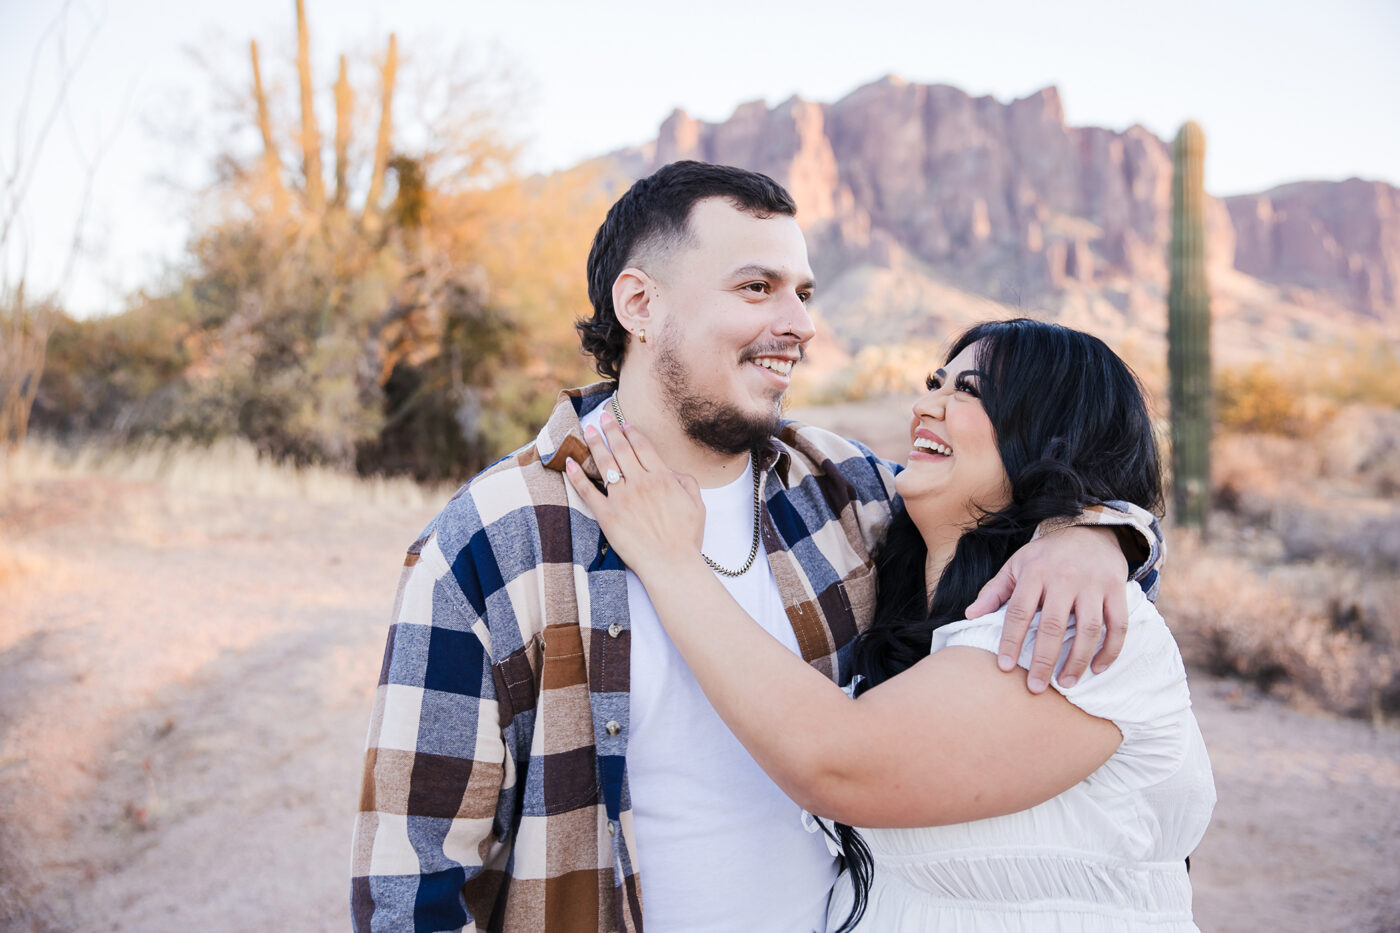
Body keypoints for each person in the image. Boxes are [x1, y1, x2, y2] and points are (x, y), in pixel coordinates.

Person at [351, 162, 1162, 932]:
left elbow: (1011, 503)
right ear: (639, 303)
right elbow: (410, 879)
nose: (801, 326)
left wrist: (1096, 533)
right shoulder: (500, 535)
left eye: (804, 294)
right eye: (756, 288)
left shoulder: (845, 491)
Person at [567, 318, 1215, 932]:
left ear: (1054, 438)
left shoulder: (1072, 622)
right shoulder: (893, 591)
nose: (926, 404)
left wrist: (672, 561)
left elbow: (835, 762)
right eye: (935, 383)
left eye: (969, 391)